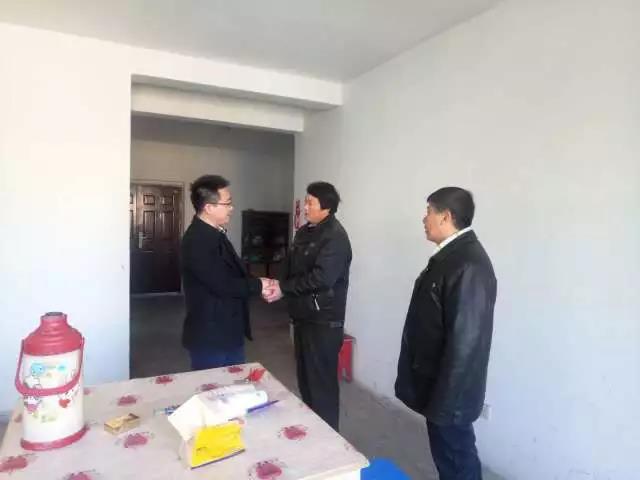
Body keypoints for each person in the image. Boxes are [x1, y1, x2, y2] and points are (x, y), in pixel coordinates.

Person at [394, 187, 497, 480]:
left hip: (450, 394)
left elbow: (466, 343)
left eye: (428, 211)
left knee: (457, 460)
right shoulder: (452, 257)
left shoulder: (468, 264)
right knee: (448, 459)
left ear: (446, 216)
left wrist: (446, 402)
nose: (423, 218)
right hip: (440, 387)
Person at [264, 182, 351, 431]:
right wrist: (277, 284)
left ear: (326, 207)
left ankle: (329, 438)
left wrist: (285, 288)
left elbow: (321, 279)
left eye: (310, 202)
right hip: (303, 316)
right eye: (306, 201)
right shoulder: (305, 232)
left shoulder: (335, 237)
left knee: (321, 385)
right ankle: (313, 431)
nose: (305, 207)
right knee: (305, 380)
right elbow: (290, 265)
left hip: (323, 321)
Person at [181, 174, 271, 370]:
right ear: (209, 207)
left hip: (228, 330)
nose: (232, 208)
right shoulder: (197, 241)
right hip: (211, 336)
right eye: (227, 203)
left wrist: (260, 283)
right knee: (213, 387)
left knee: (233, 383)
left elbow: (235, 271)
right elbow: (221, 284)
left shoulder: (216, 233)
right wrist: (259, 285)